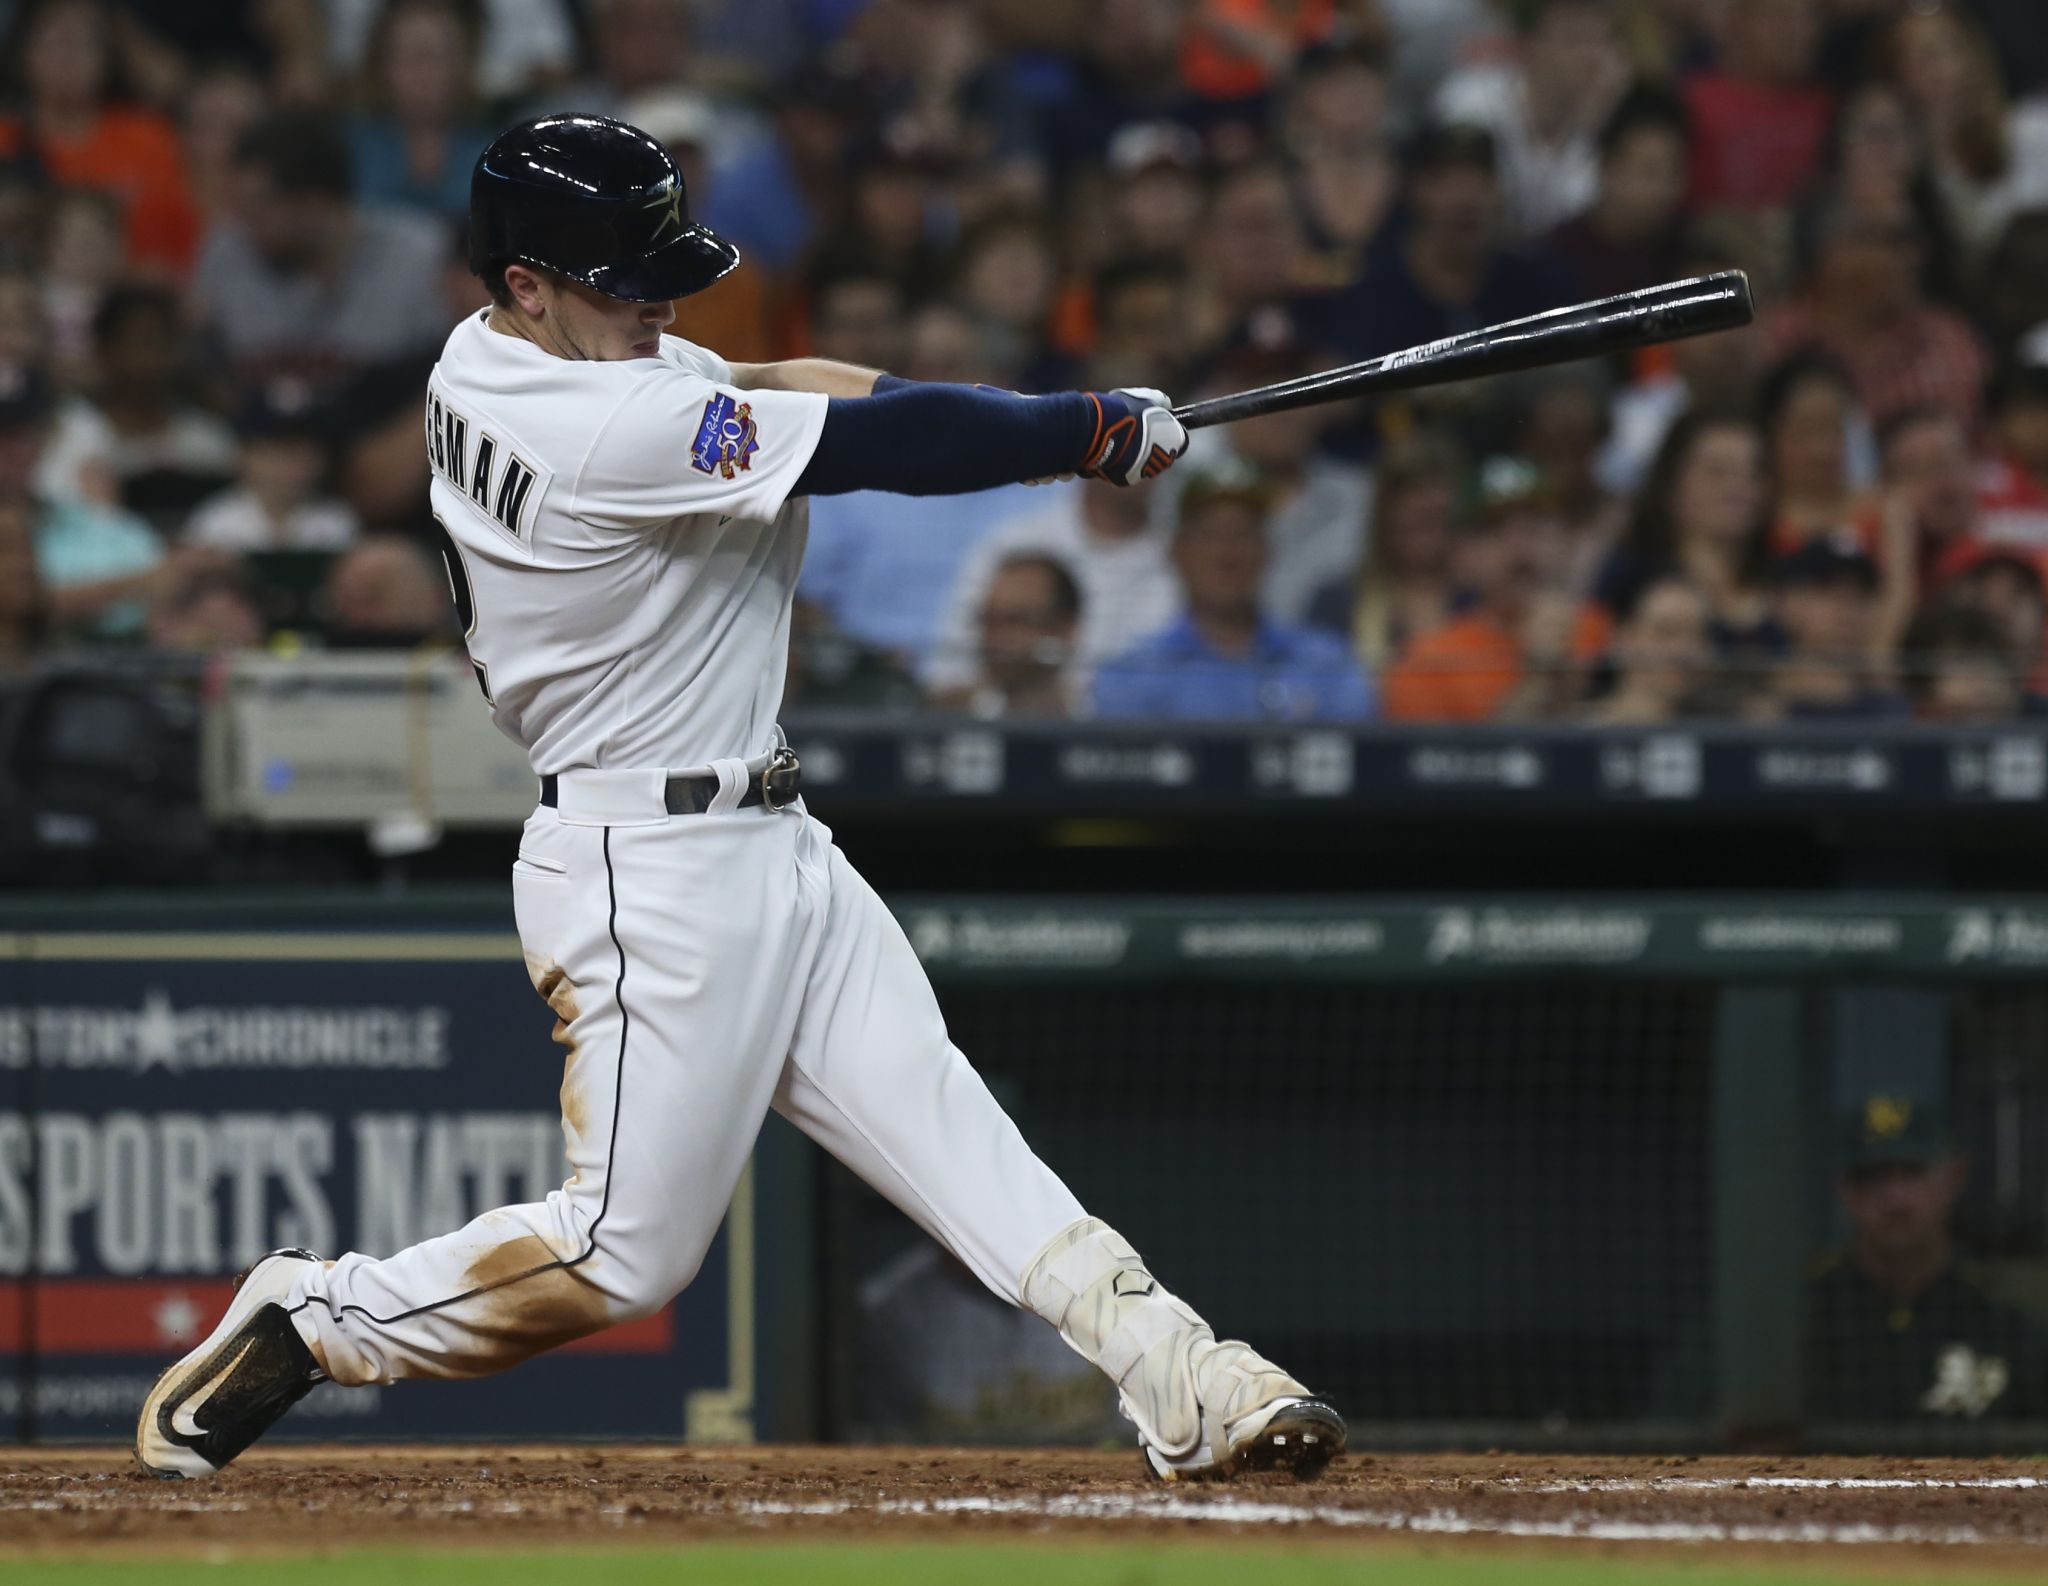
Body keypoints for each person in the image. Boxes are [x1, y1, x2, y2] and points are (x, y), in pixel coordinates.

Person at [136, 112, 1343, 1486]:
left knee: (953, 1132)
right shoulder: (594, 423)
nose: (655, 305)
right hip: (646, 864)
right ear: (523, 281)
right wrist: (1078, 431)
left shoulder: (513, 354)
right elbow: (863, 446)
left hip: (765, 833)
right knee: (619, 1252)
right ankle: (319, 1313)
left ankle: (1179, 1373)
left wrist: (1075, 422)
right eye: (620, 281)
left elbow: (775, 376)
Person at [1808, 1095, 2048, 1422]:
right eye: (1873, 1177)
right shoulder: (1805, 1314)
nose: (1895, 1198)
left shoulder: (2005, 1318)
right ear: (1846, 1191)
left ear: (1954, 1178)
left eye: (1912, 1172)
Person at [191, 107, 450, 395]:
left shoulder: (419, 257)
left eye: (259, 207)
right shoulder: (227, 253)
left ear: (316, 203)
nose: (245, 224)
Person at [1092, 465, 1374, 722]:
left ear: (1267, 551)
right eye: (1211, 534)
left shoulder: (1326, 666)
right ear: (1178, 551)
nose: (1227, 553)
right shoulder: (1132, 675)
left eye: (1243, 533)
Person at [1382, 456, 1608, 722]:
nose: (1520, 544)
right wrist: (1537, 674)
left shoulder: (1610, 633)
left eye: (1536, 526)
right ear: (1464, 553)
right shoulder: (1426, 665)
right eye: (1495, 529)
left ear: (1565, 543)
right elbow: (1460, 762)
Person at [0, 0, 198, 273]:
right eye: (55, 43)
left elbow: (178, 237)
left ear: (105, 59)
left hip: (127, 289)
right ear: (26, 54)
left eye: (81, 45)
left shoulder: (147, 136)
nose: (67, 58)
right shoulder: (4, 138)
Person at [1766, 201, 1989, 432]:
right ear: (1836, 252)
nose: (1915, 257)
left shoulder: (1949, 343)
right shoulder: (1773, 343)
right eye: (1895, 241)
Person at [1431, 0, 1628, 239]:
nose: (1592, 57)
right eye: (1575, 40)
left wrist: (1596, 127)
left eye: (1603, 41)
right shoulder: (1471, 102)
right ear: (1531, 46)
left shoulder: (1605, 125)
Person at [1305, 429, 1461, 672]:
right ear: (1383, 515)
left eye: (1435, 520)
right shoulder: (1338, 603)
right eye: (1416, 515)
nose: (1425, 510)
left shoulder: (1479, 601)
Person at [1542, 86, 1690, 302]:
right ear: (1606, 167)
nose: (1664, 189)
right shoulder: (1557, 257)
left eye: (1674, 171)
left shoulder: (1688, 253)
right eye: (1650, 171)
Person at [1681, 0, 1832, 213]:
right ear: (1738, 20)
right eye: (1780, 17)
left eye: (1808, 18)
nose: (1797, 31)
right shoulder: (1692, 103)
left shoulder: (1831, 110)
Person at [184, 383, 362, 554]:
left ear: (321, 459)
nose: (286, 465)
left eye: (298, 452)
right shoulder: (213, 522)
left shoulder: (340, 522)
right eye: (273, 452)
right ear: (244, 455)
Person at [1756, 535, 1909, 722]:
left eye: (1860, 596)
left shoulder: (1892, 716)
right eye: (1827, 592)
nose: (1847, 611)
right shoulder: (1746, 711)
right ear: (1785, 602)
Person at [926, 552, 1084, 719]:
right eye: (987, 620)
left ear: (1066, 629)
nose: (994, 638)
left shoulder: (1104, 718)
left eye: (1014, 621)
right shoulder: (944, 720)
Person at [1579, 575, 1710, 725]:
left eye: (1698, 634)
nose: (1685, 650)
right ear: (1624, 638)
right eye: (1666, 631)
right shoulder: (1579, 733)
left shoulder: (1723, 733)